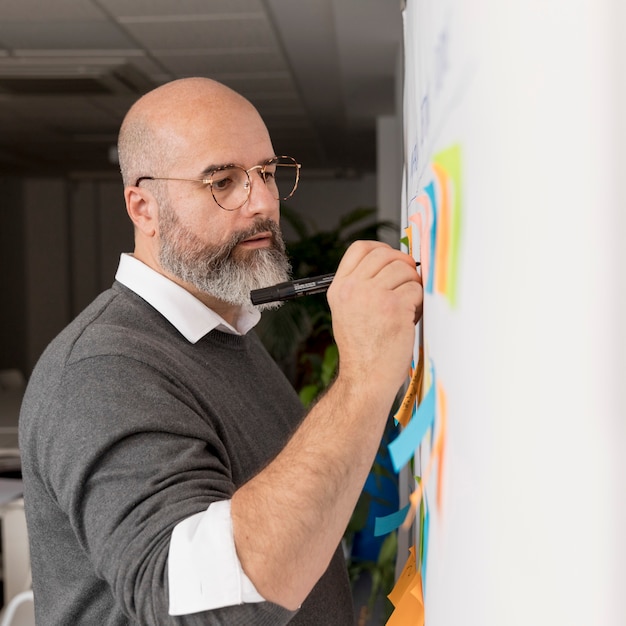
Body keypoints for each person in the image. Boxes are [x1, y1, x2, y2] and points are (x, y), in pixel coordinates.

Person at [19, 77, 423, 625]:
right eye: (222, 181)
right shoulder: (101, 372)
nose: (260, 203)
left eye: (266, 172)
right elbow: (208, 610)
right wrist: (364, 378)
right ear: (144, 208)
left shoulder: (227, 335)